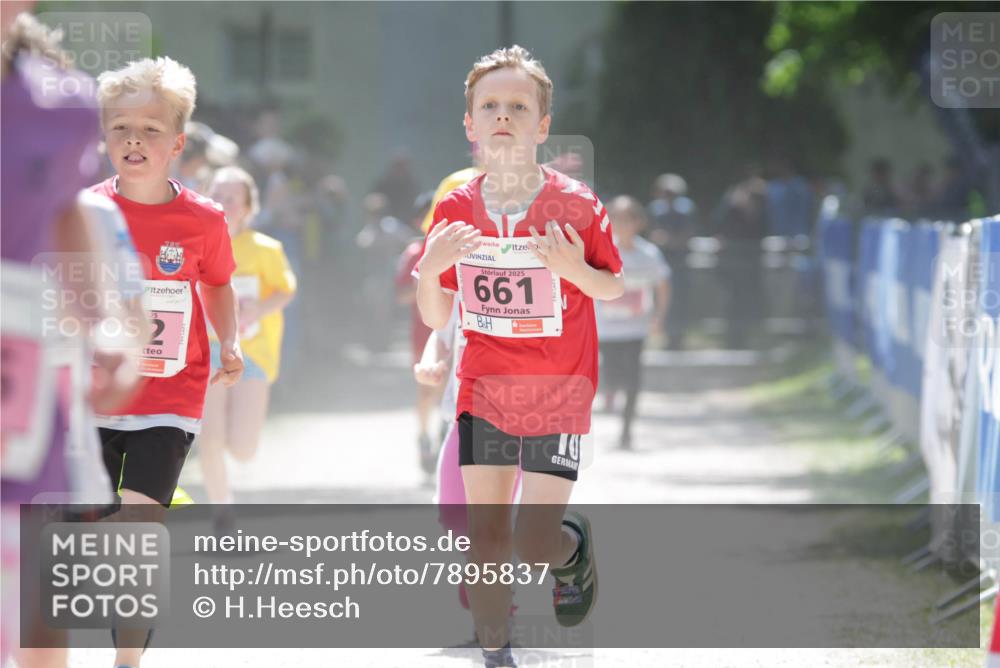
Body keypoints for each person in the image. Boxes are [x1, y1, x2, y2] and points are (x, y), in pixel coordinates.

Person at [414, 45, 623, 668]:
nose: (503, 116)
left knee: (532, 545)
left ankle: (570, 548)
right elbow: (437, 315)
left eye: (518, 106)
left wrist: (573, 269)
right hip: (485, 389)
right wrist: (429, 269)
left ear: (542, 125)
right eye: (490, 106)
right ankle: (496, 655)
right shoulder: (455, 208)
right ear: (470, 124)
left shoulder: (577, 204)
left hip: (560, 391)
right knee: (487, 535)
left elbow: (612, 285)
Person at [1, 10, 143, 668]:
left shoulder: (62, 105)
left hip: (20, 385)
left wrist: (103, 321)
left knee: (35, 587)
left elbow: (65, 213)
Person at [91, 55, 243, 668]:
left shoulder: (204, 219)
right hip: (94, 396)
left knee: (137, 531)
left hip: (170, 396)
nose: (134, 139)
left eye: (150, 129)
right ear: (104, 138)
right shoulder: (84, 212)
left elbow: (219, 284)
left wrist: (230, 341)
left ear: (177, 143)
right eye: (120, 128)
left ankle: (127, 661)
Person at [199, 167, 297, 534]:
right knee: (211, 438)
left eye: (231, 198)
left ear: (246, 207)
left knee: (243, 448)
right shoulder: (194, 244)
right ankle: (222, 513)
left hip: (253, 352)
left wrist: (258, 309)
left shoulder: (266, 249)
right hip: (206, 350)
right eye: (217, 195)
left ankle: (230, 438)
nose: (223, 203)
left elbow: (286, 290)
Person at [596, 196, 671, 450]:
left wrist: (659, 317)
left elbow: (663, 285)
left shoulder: (649, 254)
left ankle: (626, 431)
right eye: (616, 219)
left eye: (627, 219)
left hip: (636, 328)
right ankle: (609, 390)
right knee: (611, 374)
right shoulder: (603, 250)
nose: (622, 224)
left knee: (633, 379)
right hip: (607, 328)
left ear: (638, 222)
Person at [397, 192, 444, 474]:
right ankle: (424, 437)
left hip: (457, 333)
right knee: (427, 391)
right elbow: (400, 295)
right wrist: (426, 282)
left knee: (451, 391)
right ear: (418, 221)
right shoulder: (415, 253)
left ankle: (445, 437)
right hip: (424, 334)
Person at [646, 173, 695, 350]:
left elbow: (688, 234)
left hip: (680, 262)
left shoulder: (686, 210)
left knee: (680, 300)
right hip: (661, 261)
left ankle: (678, 337)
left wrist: (670, 240)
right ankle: (664, 334)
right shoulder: (655, 210)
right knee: (661, 299)